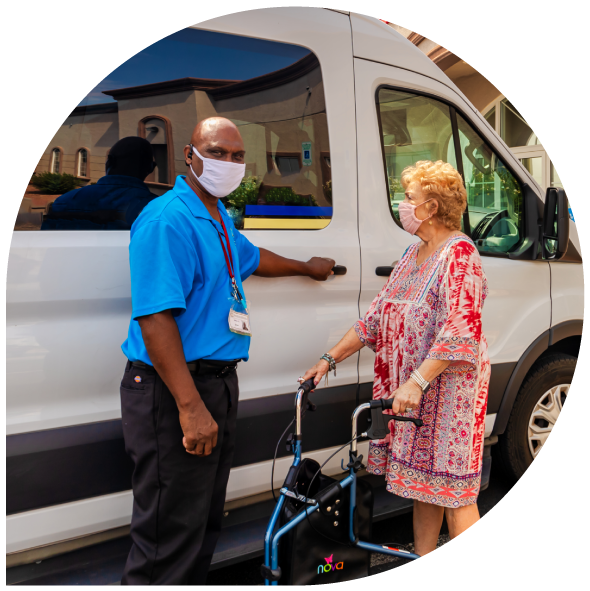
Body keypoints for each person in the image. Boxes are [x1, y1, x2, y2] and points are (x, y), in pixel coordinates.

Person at [120, 117, 335, 586]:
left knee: (201, 526)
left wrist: (307, 267)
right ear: (190, 157)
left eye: (238, 156)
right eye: (218, 153)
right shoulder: (167, 219)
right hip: (174, 391)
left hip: (215, 383)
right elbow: (155, 322)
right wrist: (190, 407)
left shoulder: (215, 214)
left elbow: (251, 257)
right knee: (167, 538)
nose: (230, 164)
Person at [302, 160, 490, 557]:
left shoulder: (460, 255)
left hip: (448, 399)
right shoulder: (412, 254)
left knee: (454, 493)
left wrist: (417, 382)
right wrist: (327, 359)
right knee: (425, 488)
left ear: (432, 207)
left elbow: (461, 329)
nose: (403, 205)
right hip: (414, 398)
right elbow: (374, 319)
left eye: (409, 198)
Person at [41, 137, 157, 230]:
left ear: (109, 161)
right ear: (151, 168)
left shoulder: (64, 201)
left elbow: (47, 247)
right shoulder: (160, 208)